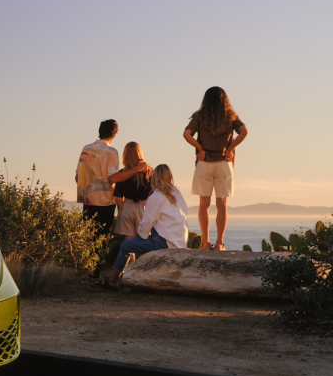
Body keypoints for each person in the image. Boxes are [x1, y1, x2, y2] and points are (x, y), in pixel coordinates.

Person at [76, 120, 149, 275]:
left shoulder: (85, 149)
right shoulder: (111, 152)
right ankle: (96, 271)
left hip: (88, 199)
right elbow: (113, 178)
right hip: (104, 201)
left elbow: (78, 177)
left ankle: (87, 269)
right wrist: (136, 169)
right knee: (102, 237)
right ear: (114, 133)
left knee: (88, 235)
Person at [183, 87, 248, 250]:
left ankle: (206, 242)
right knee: (222, 204)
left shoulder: (200, 116)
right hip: (224, 164)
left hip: (204, 164)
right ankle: (220, 242)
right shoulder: (230, 116)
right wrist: (230, 149)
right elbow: (244, 131)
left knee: (204, 204)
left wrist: (201, 149)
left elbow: (186, 134)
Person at [103, 164, 188, 289]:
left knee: (126, 245)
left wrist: (137, 237)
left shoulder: (156, 196)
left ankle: (113, 280)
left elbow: (146, 223)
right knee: (149, 232)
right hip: (180, 241)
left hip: (165, 242)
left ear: (154, 178)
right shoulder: (176, 193)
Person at [113, 142, 153, 262]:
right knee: (142, 242)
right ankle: (140, 272)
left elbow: (119, 198)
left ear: (125, 155)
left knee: (128, 243)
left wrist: (122, 211)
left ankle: (128, 270)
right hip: (143, 208)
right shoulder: (149, 172)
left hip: (127, 206)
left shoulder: (122, 174)